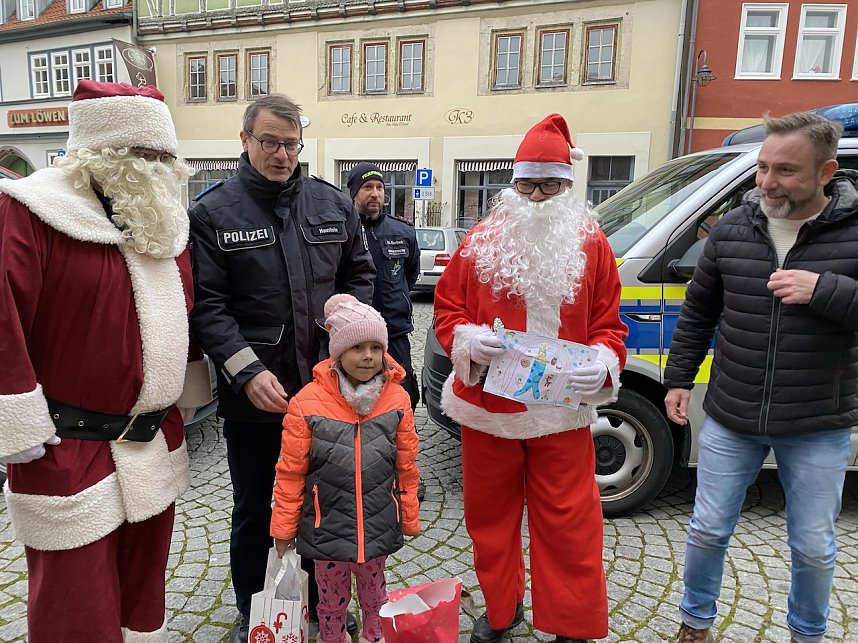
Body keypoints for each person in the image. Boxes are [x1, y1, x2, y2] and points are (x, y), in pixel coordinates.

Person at [0, 80, 211, 642]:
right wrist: (14, 416)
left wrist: (186, 395)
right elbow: (2, 313)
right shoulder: (32, 210)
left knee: (142, 604)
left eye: (167, 156)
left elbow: (182, 317)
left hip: (150, 445)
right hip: (67, 449)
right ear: (107, 153)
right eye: (149, 156)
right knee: (77, 612)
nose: (162, 168)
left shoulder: (162, 222)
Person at [433, 113, 628, 643]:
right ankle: (501, 612)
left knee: (570, 521)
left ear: (569, 185)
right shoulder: (479, 242)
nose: (538, 196)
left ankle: (570, 621)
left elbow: (610, 325)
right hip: (488, 410)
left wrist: (603, 364)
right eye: (527, 184)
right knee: (489, 522)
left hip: (562, 414)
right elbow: (447, 312)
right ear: (512, 183)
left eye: (549, 184)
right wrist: (468, 340)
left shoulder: (593, 245)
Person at [664, 112, 858, 643]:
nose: (767, 182)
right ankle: (696, 623)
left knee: (814, 545)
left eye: (785, 171)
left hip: (818, 422)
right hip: (733, 413)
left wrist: (825, 291)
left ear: (826, 172)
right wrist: (679, 379)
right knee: (707, 530)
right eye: (762, 168)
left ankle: (807, 634)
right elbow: (699, 310)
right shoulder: (733, 228)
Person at [188, 94, 374, 643]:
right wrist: (246, 371)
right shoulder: (212, 212)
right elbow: (207, 304)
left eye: (291, 144)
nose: (282, 155)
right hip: (255, 398)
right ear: (244, 141)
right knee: (253, 506)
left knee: (327, 501)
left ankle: (325, 600)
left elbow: (360, 277)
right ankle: (254, 605)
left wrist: (346, 336)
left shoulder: (332, 204)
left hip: (327, 393)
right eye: (269, 142)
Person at [271, 293, 420, 643]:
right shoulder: (306, 403)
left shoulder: (397, 399)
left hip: (378, 522)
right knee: (331, 604)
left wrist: (408, 515)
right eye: (357, 348)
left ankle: (374, 637)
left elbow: (407, 464)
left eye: (375, 347)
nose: (368, 357)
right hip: (326, 528)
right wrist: (283, 526)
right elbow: (291, 472)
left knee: (375, 598)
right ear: (337, 352)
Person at [347, 162, 421, 410]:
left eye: (379, 187)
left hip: (394, 330)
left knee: (402, 393)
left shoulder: (402, 232)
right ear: (354, 191)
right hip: (355, 333)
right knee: (356, 396)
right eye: (367, 187)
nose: (375, 193)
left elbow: (410, 274)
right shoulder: (342, 230)